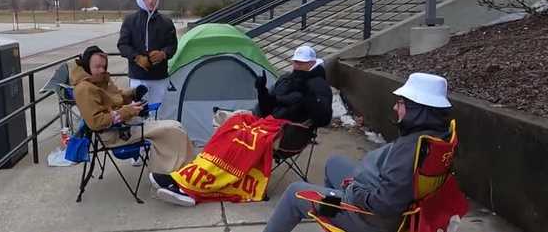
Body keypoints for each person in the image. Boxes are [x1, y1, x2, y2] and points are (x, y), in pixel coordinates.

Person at [261, 72, 453, 232]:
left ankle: (338, 210)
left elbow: (385, 204)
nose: (395, 107)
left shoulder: (409, 149)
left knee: (295, 192)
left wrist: (355, 191)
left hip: (370, 218)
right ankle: (336, 208)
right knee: (334, 163)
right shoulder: (438, 136)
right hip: (381, 198)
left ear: (417, 108)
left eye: (401, 102)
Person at [148, 45, 333, 207]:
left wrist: (310, 98)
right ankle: (188, 176)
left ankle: (189, 187)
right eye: (295, 62)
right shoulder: (288, 79)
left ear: (312, 63)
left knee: (239, 139)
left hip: (287, 132)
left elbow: (323, 118)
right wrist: (262, 91)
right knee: (229, 129)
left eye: (302, 63)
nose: (297, 66)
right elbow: (269, 106)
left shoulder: (318, 85)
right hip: (267, 122)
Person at [71, 46, 193, 173]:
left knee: (177, 126)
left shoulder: (100, 80)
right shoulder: (84, 89)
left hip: (127, 125)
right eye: (97, 67)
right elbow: (95, 123)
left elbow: (116, 98)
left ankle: (179, 170)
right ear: (86, 66)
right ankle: (168, 173)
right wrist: (127, 111)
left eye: (104, 66)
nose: (102, 70)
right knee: (173, 131)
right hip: (116, 134)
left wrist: (134, 93)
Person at [117, 0, 177, 106]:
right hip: (138, 77)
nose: (151, 1)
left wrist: (163, 54)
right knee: (139, 112)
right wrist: (136, 57)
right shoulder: (130, 21)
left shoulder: (166, 22)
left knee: (159, 112)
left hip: (160, 77)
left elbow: (173, 45)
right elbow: (122, 45)